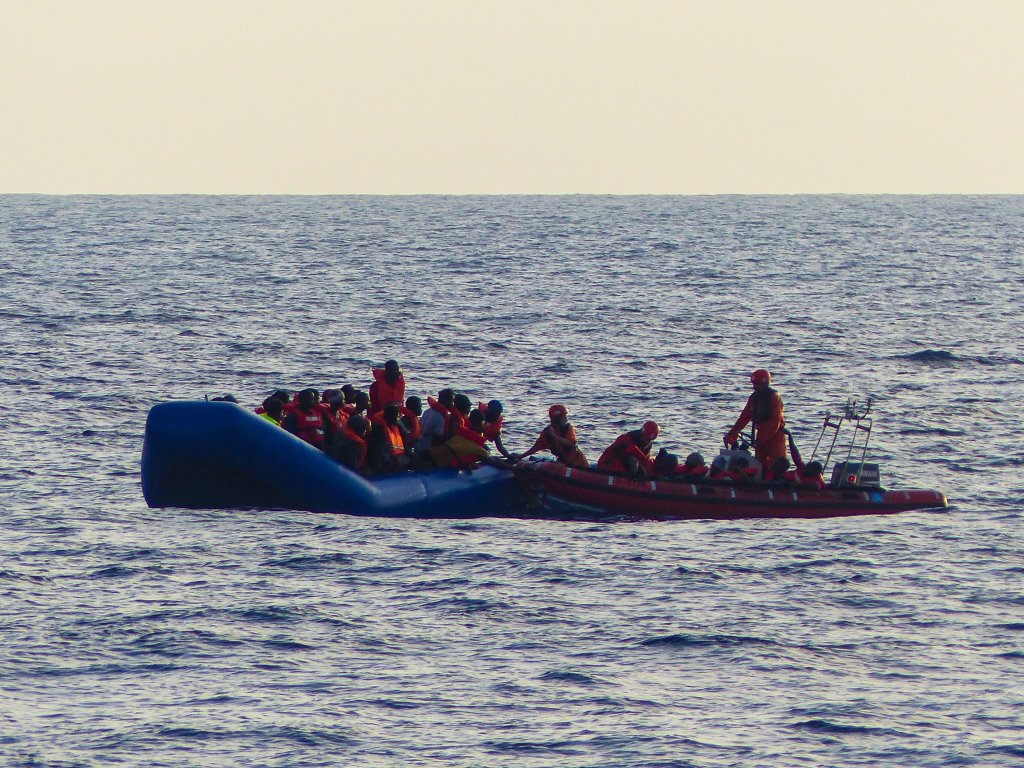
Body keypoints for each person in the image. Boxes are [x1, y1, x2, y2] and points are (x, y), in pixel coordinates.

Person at [724, 369, 787, 468]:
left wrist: (763, 439)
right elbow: (743, 418)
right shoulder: (753, 399)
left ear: (765, 383)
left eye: (757, 384)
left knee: (777, 463)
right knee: (760, 463)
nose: (754, 387)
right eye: (754, 384)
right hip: (761, 434)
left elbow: (775, 422)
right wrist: (731, 433)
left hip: (776, 436)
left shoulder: (774, 398)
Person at [516, 404, 589, 468]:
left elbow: (570, 443)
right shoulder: (547, 432)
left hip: (578, 462)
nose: (566, 418)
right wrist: (520, 457)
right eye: (564, 416)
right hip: (563, 462)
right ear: (559, 418)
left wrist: (554, 436)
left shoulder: (568, 428)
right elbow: (536, 448)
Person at [367, 403, 411, 474]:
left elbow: (405, 447)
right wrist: (379, 470)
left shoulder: (397, 428)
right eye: (395, 417)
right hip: (383, 462)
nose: (397, 420)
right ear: (388, 417)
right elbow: (375, 452)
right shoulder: (379, 431)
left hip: (394, 458)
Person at [418, 388, 455, 452]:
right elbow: (437, 438)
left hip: (420, 444)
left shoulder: (427, 411)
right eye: (451, 401)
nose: (452, 404)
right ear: (445, 400)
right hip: (428, 449)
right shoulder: (440, 417)